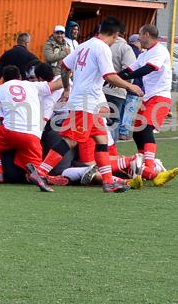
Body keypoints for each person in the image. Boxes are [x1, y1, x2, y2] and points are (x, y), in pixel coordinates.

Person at [37, 16, 144, 193]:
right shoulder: (102, 48)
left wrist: (66, 89)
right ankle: (41, 172)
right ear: (116, 35)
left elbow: (64, 67)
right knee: (70, 140)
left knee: (101, 141)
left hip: (90, 103)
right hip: (85, 103)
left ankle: (108, 182)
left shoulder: (83, 45)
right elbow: (109, 76)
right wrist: (130, 86)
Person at [0, 65, 69, 191]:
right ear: (20, 77)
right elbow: (58, 84)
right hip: (33, 136)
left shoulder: (0, 89)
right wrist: (68, 79)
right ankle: (44, 178)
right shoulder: (31, 85)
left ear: (3, 79)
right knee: (36, 170)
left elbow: (0, 118)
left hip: (11, 132)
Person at [117, 24, 178, 186]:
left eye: (140, 35)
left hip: (160, 97)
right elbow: (133, 67)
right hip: (148, 98)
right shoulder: (145, 53)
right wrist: (115, 77)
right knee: (137, 132)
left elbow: (148, 69)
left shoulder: (160, 51)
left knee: (145, 128)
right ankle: (144, 166)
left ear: (146, 34)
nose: (138, 38)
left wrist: (127, 77)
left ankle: (150, 168)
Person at [103, 30, 137, 140]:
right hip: (116, 91)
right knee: (114, 121)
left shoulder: (103, 46)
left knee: (100, 121)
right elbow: (129, 71)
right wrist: (127, 85)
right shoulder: (125, 48)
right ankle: (111, 151)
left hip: (99, 90)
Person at [119, 34, 143, 140]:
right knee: (129, 110)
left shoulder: (125, 50)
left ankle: (118, 129)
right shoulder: (139, 54)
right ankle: (124, 131)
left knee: (121, 109)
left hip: (121, 85)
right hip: (134, 85)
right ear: (137, 41)